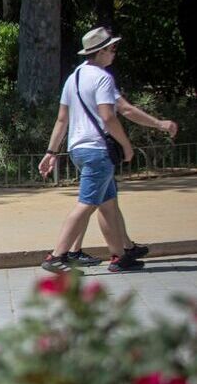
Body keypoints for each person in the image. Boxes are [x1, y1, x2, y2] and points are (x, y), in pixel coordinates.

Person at [38, 27, 179, 273]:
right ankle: (56, 256)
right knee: (86, 204)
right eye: (112, 48)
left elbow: (62, 120)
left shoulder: (74, 78)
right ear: (100, 51)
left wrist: (51, 152)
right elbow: (110, 115)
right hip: (97, 150)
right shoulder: (102, 78)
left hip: (78, 149)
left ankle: (120, 256)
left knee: (108, 203)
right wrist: (126, 144)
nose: (115, 53)